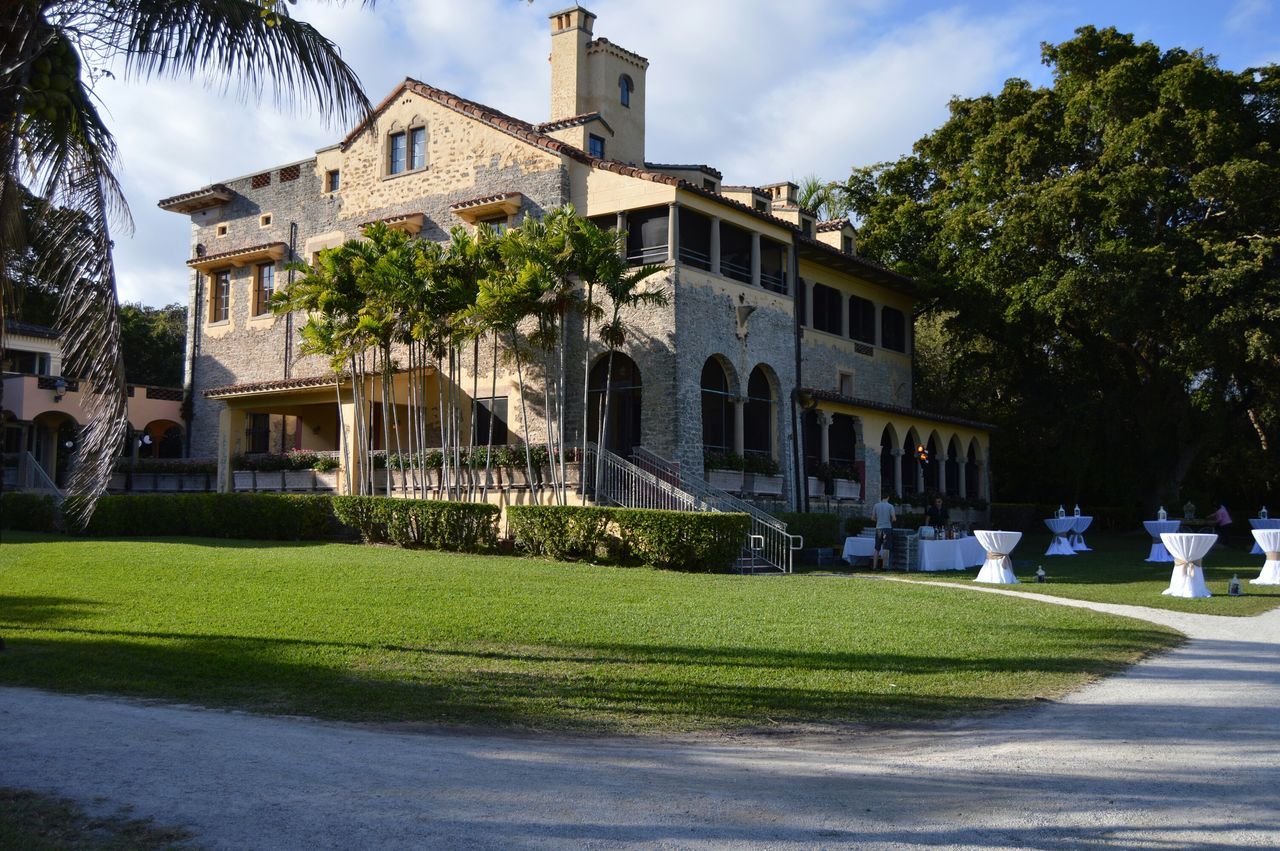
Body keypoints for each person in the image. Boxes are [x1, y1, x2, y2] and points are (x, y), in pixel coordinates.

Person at [871, 492, 897, 570]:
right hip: (887, 528)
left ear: (881, 497)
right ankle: (884, 566)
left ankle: (874, 567)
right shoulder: (890, 506)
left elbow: (872, 518)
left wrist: (879, 520)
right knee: (886, 548)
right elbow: (894, 518)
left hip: (878, 528)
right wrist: (889, 521)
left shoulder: (876, 505)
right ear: (888, 497)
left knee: (877, 548)